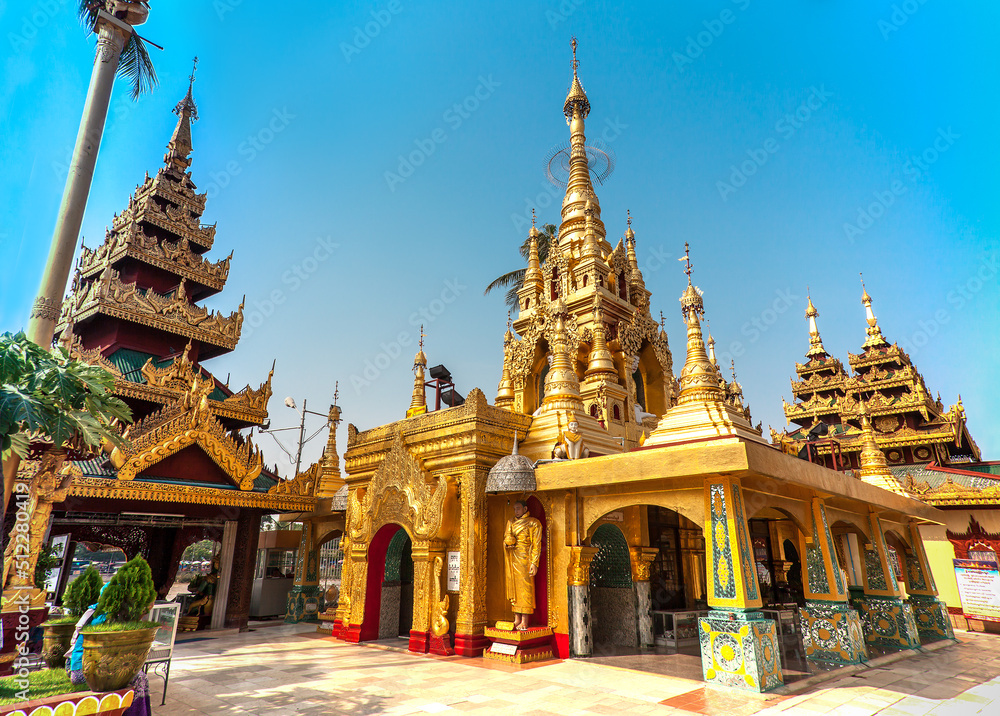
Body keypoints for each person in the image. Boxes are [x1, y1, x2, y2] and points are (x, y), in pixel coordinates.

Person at [503, 500, 542, 630]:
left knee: (525, 589)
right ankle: (517, 618)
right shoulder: (511, 522)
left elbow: (536, 545)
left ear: (525, 508)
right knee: (514, 588)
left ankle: (525, 620)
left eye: (518, 508)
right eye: (514, 509)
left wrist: (534, 563)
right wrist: (508, 543)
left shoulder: (533, 523)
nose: (516, 511)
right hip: (513, 558)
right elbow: (506, 538)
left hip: (525, 559)